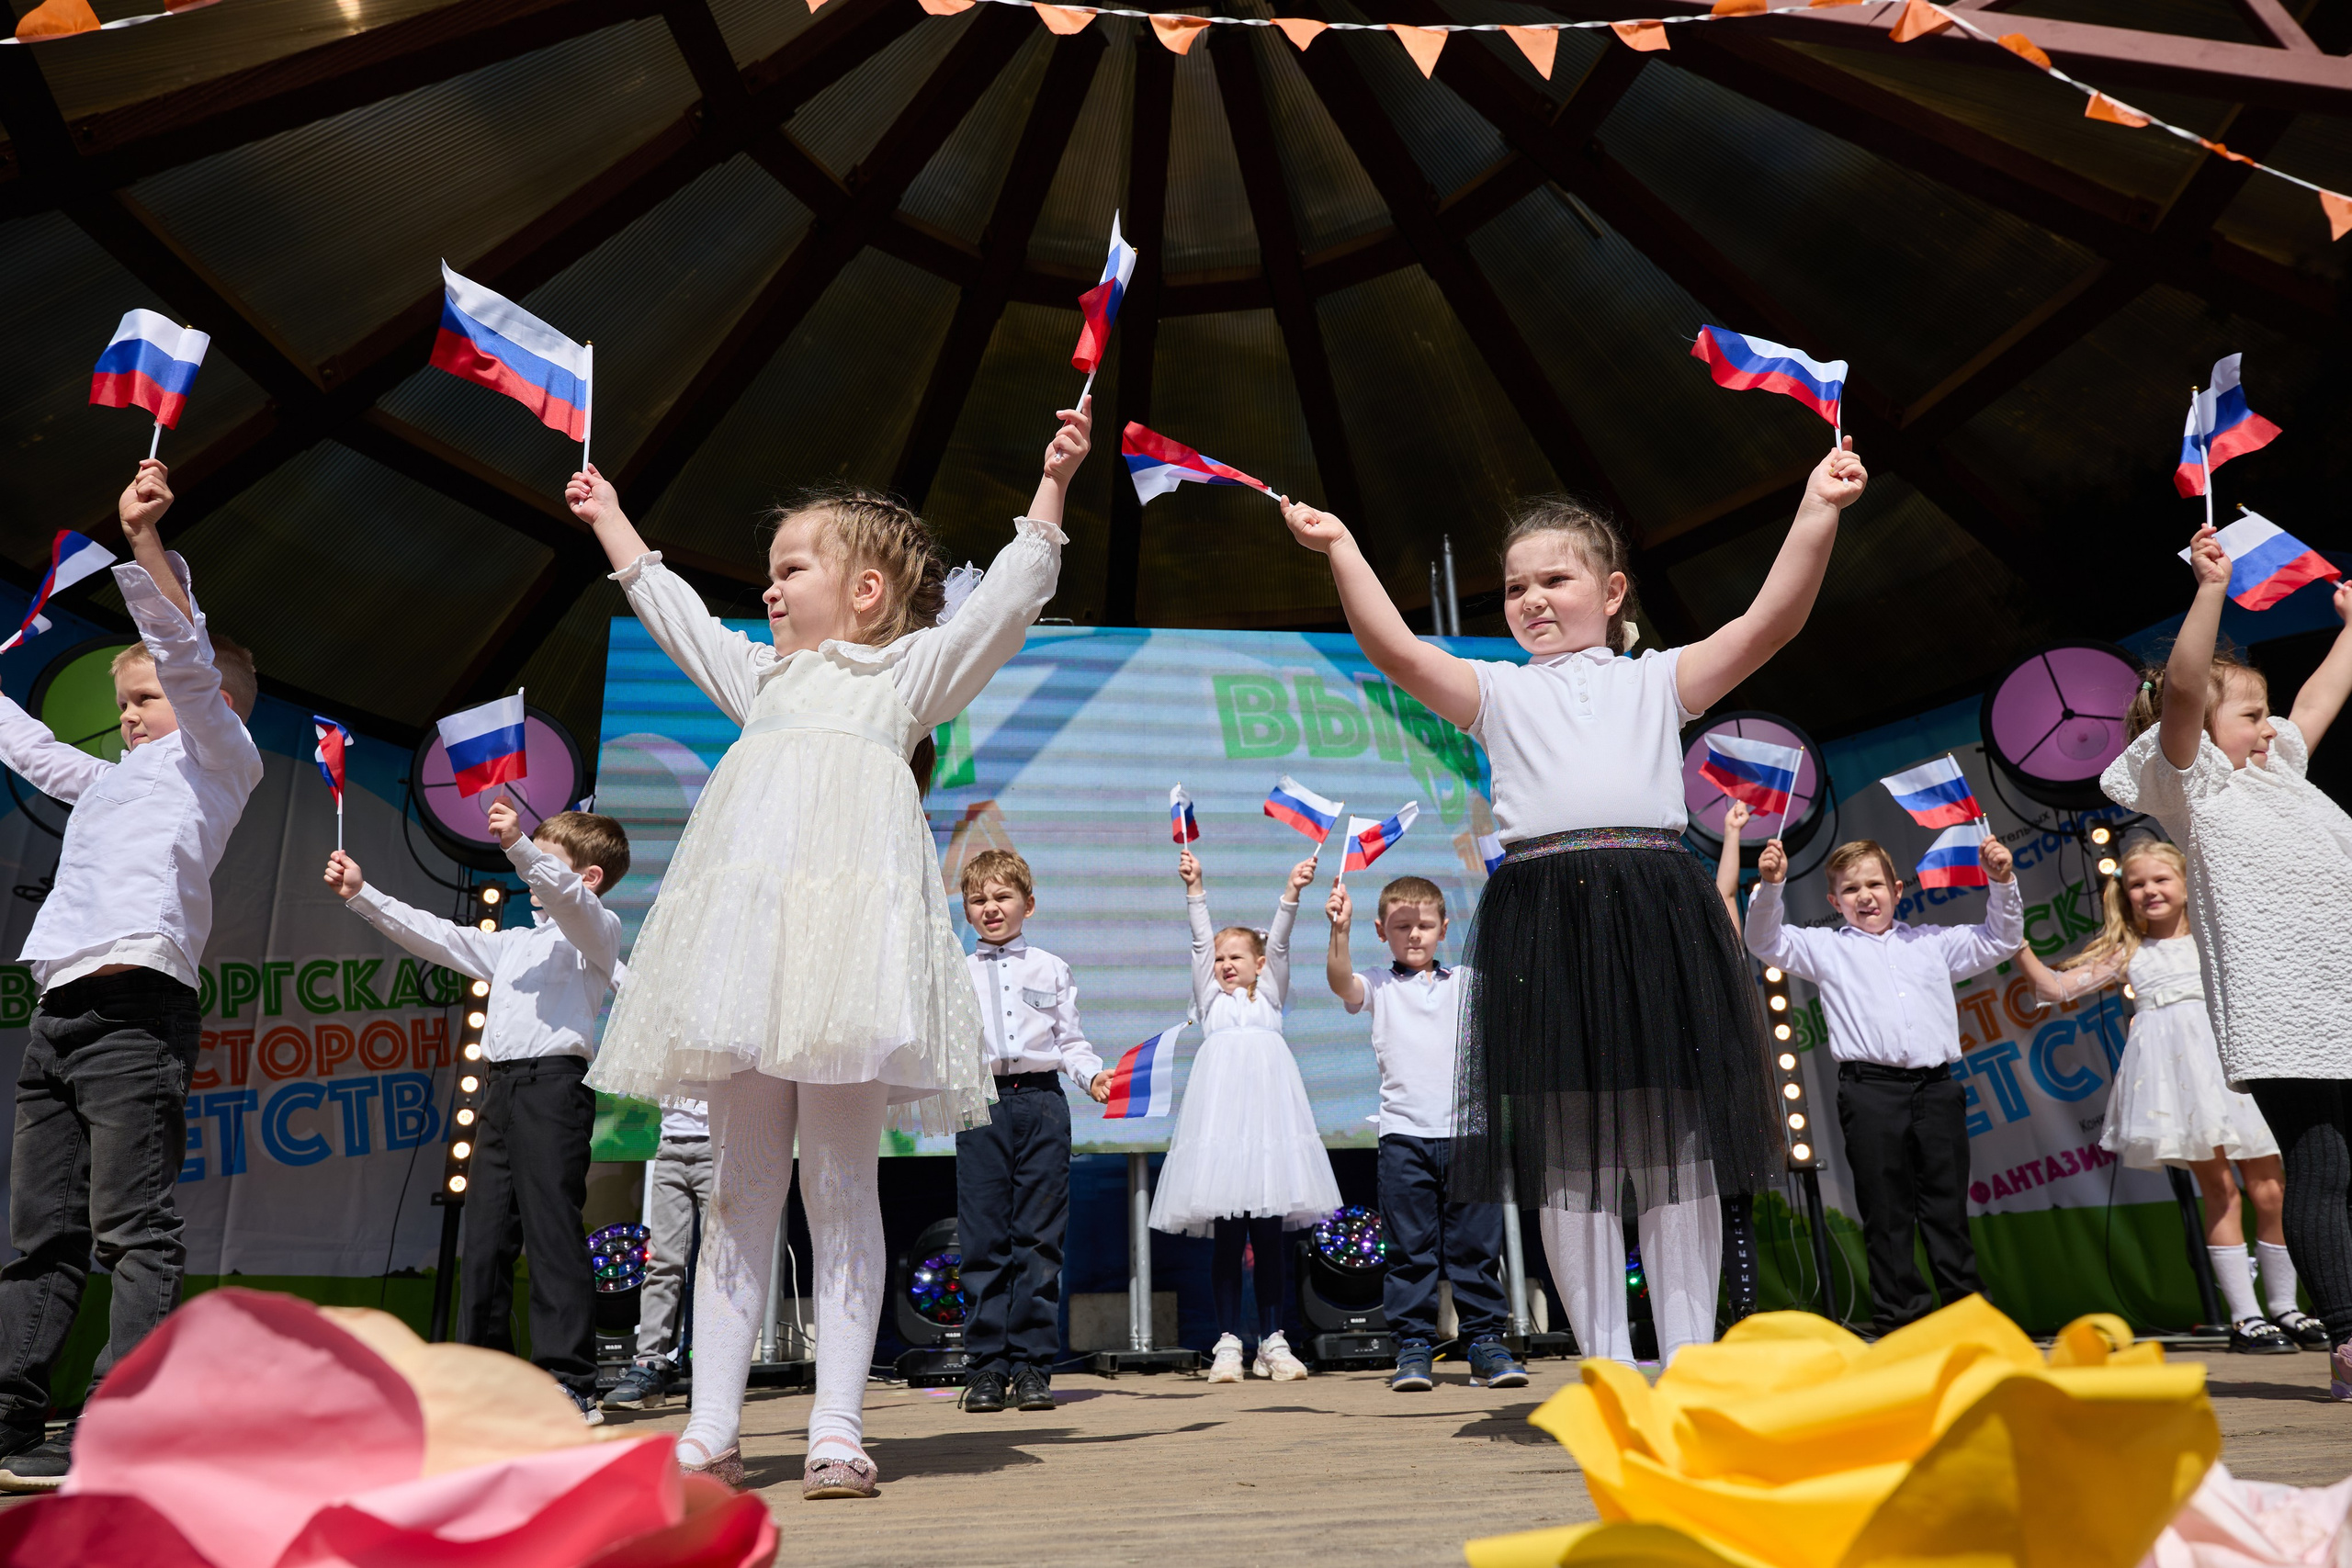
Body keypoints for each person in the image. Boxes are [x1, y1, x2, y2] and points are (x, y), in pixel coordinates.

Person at [562, 400, 1091, 1495]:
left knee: (841, 1192)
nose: (770, 584)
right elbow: (676, 616)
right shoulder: (759, 681)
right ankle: (712, 1427)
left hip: (848, 967)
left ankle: (838, 1428)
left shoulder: (903, 681)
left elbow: (1003, 605)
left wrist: (1049, 489)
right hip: (752, 965)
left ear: (864, 591)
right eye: (770, 567)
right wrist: (613, 520)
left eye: (792, 565)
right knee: (739, 1195)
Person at [1281, 443, 1868, 1368]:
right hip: (1545, 913)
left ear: (1613, 590)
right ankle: (1602, 1362)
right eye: (1515, 587)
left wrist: (1816, 509)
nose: (1533, 600)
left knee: (1677, 1147)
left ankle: (1686, 1359)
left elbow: (1768, 624)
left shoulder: (1654, 679)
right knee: (1571, 1158)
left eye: (1555, 578)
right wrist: (1343, 547)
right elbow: (1392, 650)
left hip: (1654, 908)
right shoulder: (1496, 692)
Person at [0, 460, 264, 1495]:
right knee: (38, 1231)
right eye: (123, 702)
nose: (132, 712)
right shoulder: (112, 782)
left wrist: (146, 548)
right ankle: (15, 1418)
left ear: (216, 705)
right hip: (61, 1008)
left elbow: (187, 660)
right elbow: (28, 751)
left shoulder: (221, 756)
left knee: (133, 1231)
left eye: (141, 696)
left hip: (136, 1007)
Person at [2102, 526, 2352, 1398]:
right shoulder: (2192, 785)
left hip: (2341, 989)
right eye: (2250, 710)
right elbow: (2180, 688)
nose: (2271, 720)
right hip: (2283, 1007)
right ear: (2205, 731)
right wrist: (2211, 590)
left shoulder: (2280, 769)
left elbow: (2322, 696)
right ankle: (2349, 1338)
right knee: (2316, 1170)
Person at [327, 799, 628, 1420]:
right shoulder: (515, 944)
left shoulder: (597, 931)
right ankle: (484, 1379)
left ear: (586, 876)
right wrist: (363, 894)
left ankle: (569, 1380)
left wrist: (519, 844)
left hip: (555, 1088)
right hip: (501, 1089)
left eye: (546, 861)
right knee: (487, 1235)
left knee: (550, 1231)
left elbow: (568, 900)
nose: (529, 873)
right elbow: (437, 936)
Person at [2011, 837, 2313, 1353]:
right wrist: (2010, 940)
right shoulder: (2130, 953)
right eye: (2137, 884)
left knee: (2271, 1188)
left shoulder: (2217, 936)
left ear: (2185, 883)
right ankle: (2245, 1317)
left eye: (2160, 879)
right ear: (2124, 895)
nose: (2149, 890)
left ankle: (2286, 1306)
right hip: (2183, 1083)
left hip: (2234, 1068)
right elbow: (2055, 988)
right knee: (2220, 1191)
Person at [1745, 833, 2018, 1334]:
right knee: (1886, 1215)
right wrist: (1770, 886)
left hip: (1937, 1089)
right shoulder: (1826, 948)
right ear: (1834, 901)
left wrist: (2001, 883)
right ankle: (1902, 1322)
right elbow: (1764, 941)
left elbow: (1999, 939)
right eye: (1851, 890)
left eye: (1874, 884)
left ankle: (1970, 1324)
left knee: (1946, 1211)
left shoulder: (1932, 942)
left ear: (1897, 890)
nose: (1865, 896)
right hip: (1870, 1092)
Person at [1324, 874, 1524, 1393]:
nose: (1414, 935)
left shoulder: (1469, 981)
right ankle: (1414, 1347)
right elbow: (1340, 982)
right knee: (1412, 1249)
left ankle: (1485, 1342)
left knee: (1475, 1248)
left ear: (1442, 928)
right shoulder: (1377, 983)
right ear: (1382, 930)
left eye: (1424, 925)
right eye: (1402, 926)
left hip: (1469, 1135)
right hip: (1404, 1137)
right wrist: (1338, 932)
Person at [1150, 849, 1340, 1383]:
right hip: (1222, 1132)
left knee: (1271, 1236)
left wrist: (1292, 892)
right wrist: (1196, 888)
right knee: (1230, 1237)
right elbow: (1197, 938)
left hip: (1269, 1130)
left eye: (1237, 955)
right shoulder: (1211, 1001)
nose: (1226, 963)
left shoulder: (1272, 995)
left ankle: (1274, 1342)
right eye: (1219, 958)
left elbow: (1279, 939)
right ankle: (1229, 1342)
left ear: (1260, 964)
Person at [954, 847, 1111, 1416]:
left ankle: (1032, 1367)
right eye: (979, 899)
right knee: (983, 1239)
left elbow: (1071, 1043)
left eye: (1003, 897)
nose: (991, 908)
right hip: (982, 1104)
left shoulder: (1051, 967)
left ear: (1028, 903)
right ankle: (987, 1370)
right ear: (966, 910)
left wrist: (1092, 1076)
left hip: (1043, 1102)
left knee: (1039, 1239)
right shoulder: (953, 972)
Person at [605, 1094, 711, 1411]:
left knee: (717, 1268)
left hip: (721, 1144)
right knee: (662, 1262)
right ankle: (649, 1366)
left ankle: (711, 1373)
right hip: (669, 1145)